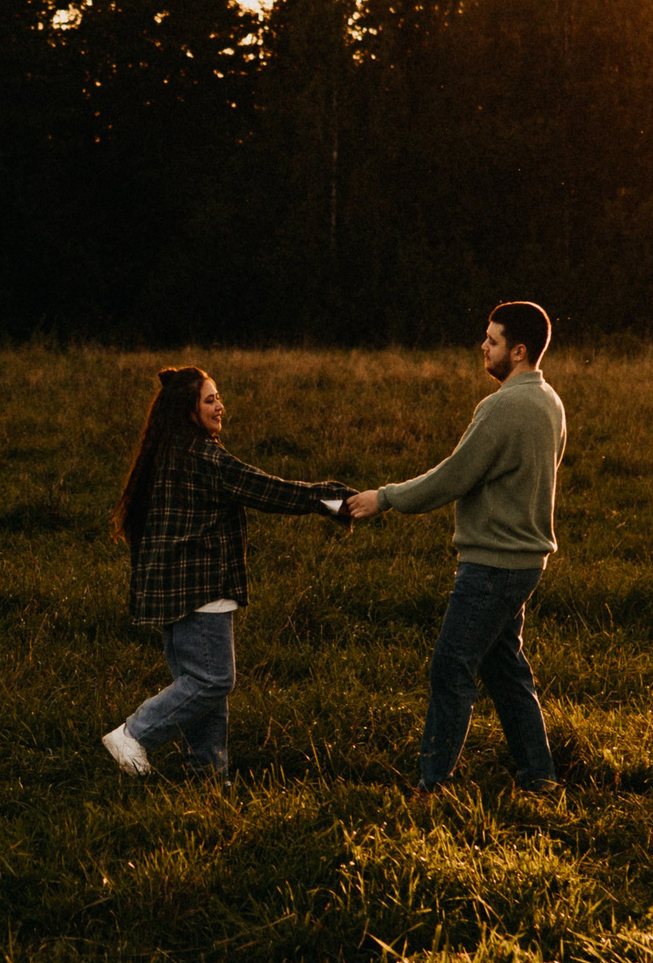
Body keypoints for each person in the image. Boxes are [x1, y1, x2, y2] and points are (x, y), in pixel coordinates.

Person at [347, 302, 567, 796]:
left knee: (451, 668)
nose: (483, 347)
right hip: (526, 561)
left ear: (519, 350)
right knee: (504, 669)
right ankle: (540, 778)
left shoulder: (503, 406)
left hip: (491, 564)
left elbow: (452, 476)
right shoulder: (550, 400)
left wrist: (383, 498)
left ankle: (431, 786)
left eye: (491, 341)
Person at [105, 366, 351, 780]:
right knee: (213, 680)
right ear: (188, 410)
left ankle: (207, 775)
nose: (220, 406)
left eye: (217, 398)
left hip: (172, 587)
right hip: (202, 584)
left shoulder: (169, 451)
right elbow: (266, 489)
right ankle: (135, 734)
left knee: (198, 685)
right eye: (209, 400)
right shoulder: (203, 456)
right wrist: (333, 499)